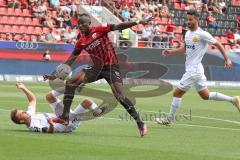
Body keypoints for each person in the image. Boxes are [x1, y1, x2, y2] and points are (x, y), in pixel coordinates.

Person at [44, 13, 154, 136]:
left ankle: (140, 123)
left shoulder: (100, 29)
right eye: (79, 24)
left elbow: (119, 26)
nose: (81, 26)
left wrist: (138, 22)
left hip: (111, 67)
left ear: (89, 23)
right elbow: (70, 59)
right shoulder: (81, 41)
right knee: (71, 82)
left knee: (120, 96)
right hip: (96, 68)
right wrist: (54, 75)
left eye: (83, 24)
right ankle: (64, 117)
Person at [156, 10, 240, 126]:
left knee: (177, 93)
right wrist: (170, 52)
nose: (188, 22)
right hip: (196, 70)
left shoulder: (203, 34)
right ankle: (233, 99)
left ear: (196, 20)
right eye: (187, 19)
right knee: (205, 95)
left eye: (190, 20)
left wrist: (227, 59)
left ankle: (168, 120)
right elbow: (184, 49)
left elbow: (218, 44)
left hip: (194, 70)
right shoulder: (188, 34)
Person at [10, 82, 105, 133]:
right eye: (21, 113)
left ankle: (71, 87)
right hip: (68, 124)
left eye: (22, 111)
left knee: (49, 96)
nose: (24, 112)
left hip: (62, 116)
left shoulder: (30, 115)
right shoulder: (33, 126)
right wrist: (51, 124)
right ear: (22, 121)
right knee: (86, 102)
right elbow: (48, 131)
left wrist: (23, 88)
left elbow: (32, 100)